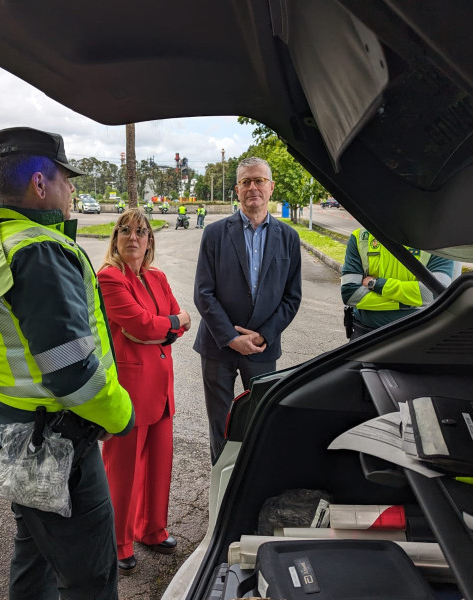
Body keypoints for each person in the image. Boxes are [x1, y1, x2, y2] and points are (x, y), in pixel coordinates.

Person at [0, 126, 134, 600]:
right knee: (89, 575)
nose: (72, 190)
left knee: (36, 549)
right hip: (51, 439)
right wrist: (121, 415)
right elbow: (69, 368)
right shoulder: (39, 251)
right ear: (40, 184)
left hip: (11, 423)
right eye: (67, 180)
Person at [97, 209, 191, 575]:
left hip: (161, 387)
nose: (133, 237)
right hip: (130, 390)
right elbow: (140, 324)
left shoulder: (158, 276)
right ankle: (118, 542)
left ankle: (152, 530)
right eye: (125, 231)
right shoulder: (110, 278)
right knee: (122, 470)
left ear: (150, 240)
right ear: (115, 239)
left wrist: (166, 326)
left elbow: (166, 324)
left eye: (140, 231)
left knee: (159, 465)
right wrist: (173, 324)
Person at [193, 157, 302, 462]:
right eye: (246, 182)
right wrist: (230, 337)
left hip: (262, 348)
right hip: (218, 346)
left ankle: (249, 483)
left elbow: (292, 297)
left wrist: (263, 336)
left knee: (259, 421)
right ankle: (222, 483)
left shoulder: (289, 238)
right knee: (220, 423)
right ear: (237, 190)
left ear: (271, 187)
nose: (253, 187)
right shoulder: (214, 234)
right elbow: (203, 292)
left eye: (259, 180)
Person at [341, 228, 455, 340]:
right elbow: (351, 295)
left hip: (418, 337)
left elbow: (433, 294)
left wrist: (375, 283)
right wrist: (410, 303)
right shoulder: (360, 237)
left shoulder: (439, 241)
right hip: (365, 336)